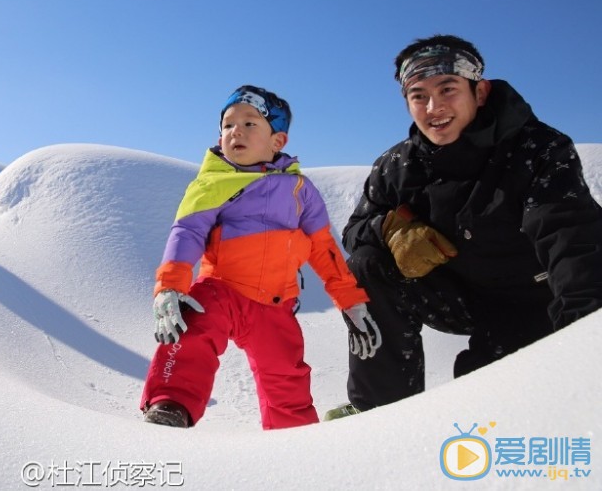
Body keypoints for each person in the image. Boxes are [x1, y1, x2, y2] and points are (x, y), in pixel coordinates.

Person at [326, 35, 602, 420]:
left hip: (539, 300)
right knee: (366, 265)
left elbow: (570, 240)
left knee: (493, 410)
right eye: (418, 95)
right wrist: (389, 228)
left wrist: (586, 341)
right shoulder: (398, 166)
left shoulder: (538, 150)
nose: (434, 107)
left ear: (480, 91)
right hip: (462, 296)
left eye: (448, 89)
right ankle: (379, 412)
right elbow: (355, 230)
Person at [139, 85, 382, 430]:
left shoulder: (301, 191)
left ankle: (292, 436)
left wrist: (350, 300)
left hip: (276, 304)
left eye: (250, 123)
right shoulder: (212, 184)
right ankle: (170, 405)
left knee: (288, 374)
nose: (235, 131)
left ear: (277, 141)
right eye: (227, 125)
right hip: (222, 290)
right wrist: (169, 287)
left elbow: (322, 247)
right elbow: (187, 234)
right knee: (192, 329)